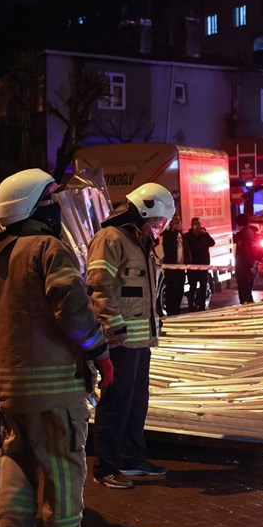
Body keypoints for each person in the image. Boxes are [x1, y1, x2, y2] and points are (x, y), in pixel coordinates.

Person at [0, 168, 113, 527]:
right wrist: (100, 352)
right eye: (51, 200)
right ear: (36, 207)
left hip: (12, 385)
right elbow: (73, 310)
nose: (56, 208)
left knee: (17, 455)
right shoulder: (49, 249)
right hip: (56, 388)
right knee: (62, 464)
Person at [87, 182, 174, 489]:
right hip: (118, 340)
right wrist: (113, 325)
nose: (159, 228)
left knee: (136, 401)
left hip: (139, 341)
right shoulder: (110, 238)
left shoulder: (143, 244)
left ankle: (132, 459)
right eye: (157, 221)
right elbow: (100, 284)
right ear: (143, 213)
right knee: (115, 402)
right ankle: (106, 467)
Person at [185, 216, 216, 311]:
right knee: (192, 286)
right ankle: (191, 305)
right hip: (192, 265)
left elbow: (212, 243)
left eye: (198, 224)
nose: (197, 226)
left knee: (203, 286)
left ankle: (202, 305)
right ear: (191, 225)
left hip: (203, 265)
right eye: (195, 224)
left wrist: (205, 234)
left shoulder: (204, 234)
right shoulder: (188, 236)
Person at [160, 214, 187, 315]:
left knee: (180, 289)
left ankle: (176, 309)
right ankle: (171, 311)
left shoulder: (181, 236)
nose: (180, 224)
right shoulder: (168, 235)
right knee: (172, 290)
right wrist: (172, 228)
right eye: (178, 222)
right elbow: (167, 242)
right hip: (171, 268)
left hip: (181, 268)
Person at [233, 213, 262, 304]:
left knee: (244, 293)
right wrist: (255, 261)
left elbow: (243, 253)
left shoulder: (241, 235)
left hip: (243, 267)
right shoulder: (253, 233)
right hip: (252, 266)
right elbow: (259, 250)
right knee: (248, 291)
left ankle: (245, 312)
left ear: (238, 224)